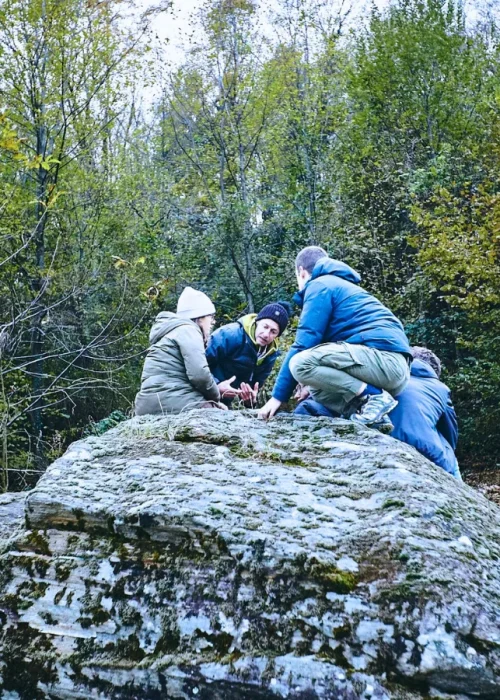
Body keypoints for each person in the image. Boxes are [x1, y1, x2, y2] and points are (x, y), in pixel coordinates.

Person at [258, 246, 412, 424]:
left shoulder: (321, 284)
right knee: (317, 389)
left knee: (299, 363)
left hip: (385, 362)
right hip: (395, 373)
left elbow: (303, 344)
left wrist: (278, 397)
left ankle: (374, 396)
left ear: (301, 272)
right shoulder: (342, 286)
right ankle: (370, 414)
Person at [135, 287, 224, 415]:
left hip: (145, 405)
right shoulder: (189, 330)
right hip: (174, 400)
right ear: (199, 318)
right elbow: (199, 375)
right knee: (222, 418)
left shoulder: (170, 333)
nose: (213, 321)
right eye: (211, 316)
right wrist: (216, 399)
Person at [388, 346, 461, 479]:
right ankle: (462, 493)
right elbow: (450, 430)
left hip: (384, 441)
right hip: (426, 450)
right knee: (451, 457)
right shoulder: (441, 388)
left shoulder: (388, 377)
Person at [206, 302, 292, 406]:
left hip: (224, 401)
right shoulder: (229, 334)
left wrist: (250, 401)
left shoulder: (270, 355)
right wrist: (216, 386)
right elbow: (198, 365)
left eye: (273, 332)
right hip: (202, 391)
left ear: (277, 335)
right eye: (265, 327)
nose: (266, 335)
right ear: (257, 322)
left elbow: (254, 388)